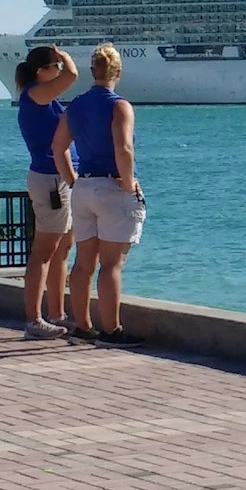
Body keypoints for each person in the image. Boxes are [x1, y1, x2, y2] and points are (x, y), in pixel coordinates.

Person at [51, 44, 145, 342]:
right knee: (112, 263)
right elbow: (123, 147)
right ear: (118, 71)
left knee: (83, 262)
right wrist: (129, 183)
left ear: (93, 71)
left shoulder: (75, 106)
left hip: (84, 187)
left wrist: (74, 180)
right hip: (112, 186)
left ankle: (82, 326)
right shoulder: (120, 106)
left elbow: (58, 148)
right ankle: (112, 329)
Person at [14, 44, 79, 338]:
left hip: (61, 178)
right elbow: (73, 76)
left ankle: (57, 313)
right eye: (56, 66)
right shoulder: (35, 95)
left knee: (62, 249)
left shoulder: (44, 98)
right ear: (42, 71)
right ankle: (34, 319)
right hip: (50, 180)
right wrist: (66, 58)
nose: (60, 71)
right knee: (44, 250)